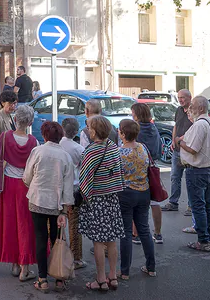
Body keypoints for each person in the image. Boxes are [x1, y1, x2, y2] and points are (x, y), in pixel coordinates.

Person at [23, 121, 75, 292]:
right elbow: (68, 186)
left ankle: (42, 278)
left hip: (37, 199)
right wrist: (65, 209)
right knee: (56, 238)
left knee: (40, 237)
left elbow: (27, 176)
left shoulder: (37, 151)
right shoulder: (65, 156)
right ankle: (59, 278)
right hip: (56, 203)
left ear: (44, 135)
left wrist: (33, 185)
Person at [78, 115, 124, 292]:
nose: (88, 130)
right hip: (112, 198)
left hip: (97, 200)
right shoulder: (113, 147)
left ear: (95, 130)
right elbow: (119, 172)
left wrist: (84, 197)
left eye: (89, 127)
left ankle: (101, 279)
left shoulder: (91, 151)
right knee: (111, 240)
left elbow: (85, 179)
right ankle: (113, 276)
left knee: (98, 241)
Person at [0, 106, 38, 282]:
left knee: (10, 223)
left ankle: (14, 263)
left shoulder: (5, 137)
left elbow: (0, 154)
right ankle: (24, 267)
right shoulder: (34, 142)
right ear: (30, 122)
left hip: (8, 184)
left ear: (16, 119)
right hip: (26, 185)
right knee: (25, 225)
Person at [179, 96, 210, 252]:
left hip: (197, 170)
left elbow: (193, 149)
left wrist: (180, 142)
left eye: (193, 106)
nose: (190, 108)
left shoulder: (200, 124)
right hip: (209, 169)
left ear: (201, 108)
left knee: (198, 206)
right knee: (208, 205)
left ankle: (203, 241)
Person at [117, 119, 156, 280]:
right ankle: (151, 267)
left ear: (123, 134)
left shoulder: (119, 152)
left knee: (126, 232)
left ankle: (125, 271)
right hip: (144, 191)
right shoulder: (142, 148)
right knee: (144, 229)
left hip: (126, 193)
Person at [131, 103, 164, 244]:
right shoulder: (153, 128)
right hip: (153, 166)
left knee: (137, 203)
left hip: (139, 168)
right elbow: (159, 148)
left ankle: (136, 234)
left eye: (132, 113)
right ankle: (158, 233)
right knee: (154, 201)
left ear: (137, 115)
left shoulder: (136, 129)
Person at [0, 90, 18, 228]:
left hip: (10, 157)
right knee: (1, 187)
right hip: (1, 158)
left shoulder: (10, 116)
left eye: (14, 103)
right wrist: (5, 142)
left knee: (6, 187)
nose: (13, 106)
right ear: (2, 103)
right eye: (10, 104)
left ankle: (1, 216)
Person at [60, 117, 87, 270]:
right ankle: (76, 258)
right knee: (74, 224)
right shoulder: (78, 149)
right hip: (74, 188)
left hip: (59, 188)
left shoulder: (58, 145)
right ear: (76, 132)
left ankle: (58, 253)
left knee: (57, 222)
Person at [162, 89, 193, 217]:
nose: (180, 100)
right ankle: (173, 203)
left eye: (183, 97)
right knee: (175, 177)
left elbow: (195, 129)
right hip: (177, 149)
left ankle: (192, 206)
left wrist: (180, 139)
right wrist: (174, 140)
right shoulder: (179, 110)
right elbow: (176, 125)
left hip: (189, 150)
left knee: (191, 179)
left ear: (190, 97)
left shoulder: (193, 111)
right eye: (179, 97)